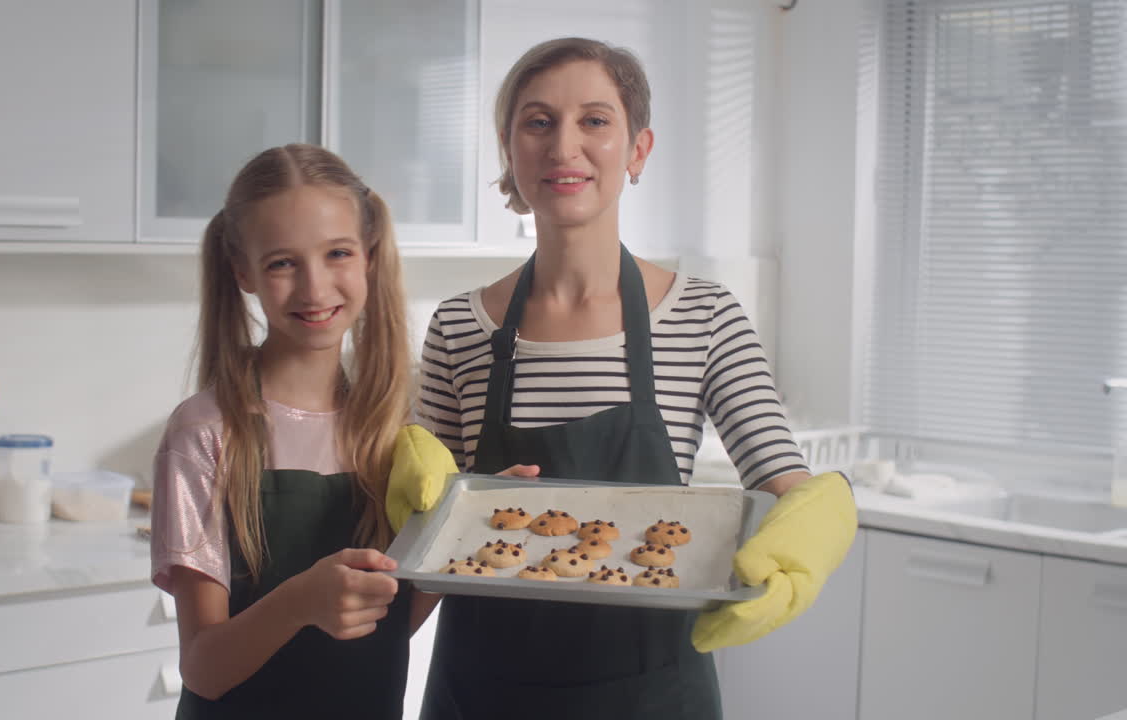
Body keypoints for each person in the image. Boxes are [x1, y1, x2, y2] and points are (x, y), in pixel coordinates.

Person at [415, 38, 857, 717]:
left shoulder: (703, 316)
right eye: (538, 122)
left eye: (595, 120)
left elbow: (788, 483)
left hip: (650, 690)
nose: (565, 145)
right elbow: (421, 520)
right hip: (484, 688)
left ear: (638, 150)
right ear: (509, 148)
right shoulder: (459, 326)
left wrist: (805, 544)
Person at [150, 143, 453, 718]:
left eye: (336, 253)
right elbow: (204, 670)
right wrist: (298, 603)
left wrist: (465, 534)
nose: (315, 289)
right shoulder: (205, 433)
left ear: (368, 256)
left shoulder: (394, 435)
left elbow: (385, 633)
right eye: (282, 262)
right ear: (244, 272)